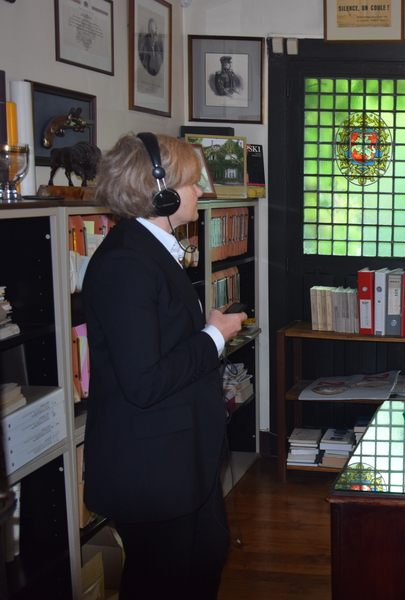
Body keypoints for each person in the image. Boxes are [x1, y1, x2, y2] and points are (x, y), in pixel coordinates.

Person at [81, 133, 246, 600]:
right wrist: (214, 336)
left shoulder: (151, 249)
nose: (200, 192)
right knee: (160, 583)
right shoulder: (126, 263)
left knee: (208, 555)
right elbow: (144, 382)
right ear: (162, 193)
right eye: (193, 183)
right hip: (150, 470)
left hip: (183, 457)